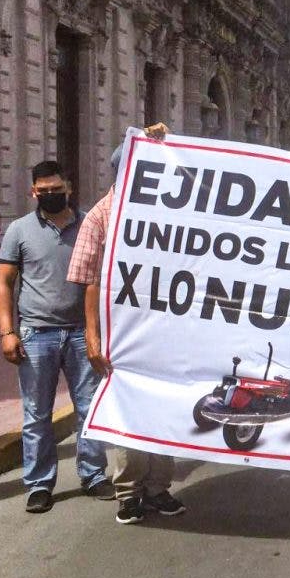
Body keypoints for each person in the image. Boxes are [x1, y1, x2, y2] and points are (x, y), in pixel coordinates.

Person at [67, 127, 187, 525]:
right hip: (121, 336)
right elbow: (90, 279)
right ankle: (128, 493)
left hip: (163, 333)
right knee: (128, 412)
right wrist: (92, 334)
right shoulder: (102, 215)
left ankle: (158, 488)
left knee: (161, 409)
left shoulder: (165, 209)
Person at [0, 161, 113, 513]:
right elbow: (4, 283)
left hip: (82, 333)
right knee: (36, 414)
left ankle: (93, 474)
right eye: (42, 191)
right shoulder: (19, 230)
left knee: (89, 408)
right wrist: (6, 332)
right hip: (36, 334)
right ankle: (39, 483)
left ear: (69, 187)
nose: (49, 195)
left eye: (55, 188)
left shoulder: (91, 224)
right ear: (33, 192)